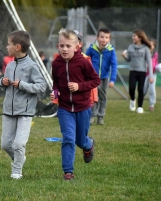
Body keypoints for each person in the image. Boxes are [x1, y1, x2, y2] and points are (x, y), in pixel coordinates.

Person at [50, 29, 100, 180]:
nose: (64, 49)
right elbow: (56, 83)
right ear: (58, 46)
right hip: (65, 108)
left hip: (83, 108)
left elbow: (95, 80)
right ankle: (68, 172)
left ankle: (88, 144)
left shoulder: (83, 62)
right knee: (68, 138)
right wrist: (56, 93)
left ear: (77, 47)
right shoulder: (56, 63)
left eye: (68, 46)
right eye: (62, 46)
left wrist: (80, 86)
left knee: (80, 140)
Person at [0, 30, 46, 179]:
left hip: (25, 112)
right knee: (6, 145)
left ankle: (17, 171)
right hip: (8, 111)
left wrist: (22, 85)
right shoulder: (10, 65)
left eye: (9, 44)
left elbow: (41, 86)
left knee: (19, 144)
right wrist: (3, 82)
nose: (7, 47)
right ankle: (20, 159)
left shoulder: (32, 66)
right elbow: (5, 83)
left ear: (17, 47)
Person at [85, 28, 118, 125]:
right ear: (97, 38)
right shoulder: (92, 48)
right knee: (93, 97)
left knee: (102, 98)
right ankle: (92, 116)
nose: (104, 39)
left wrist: (112, 79)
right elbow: (85, 60)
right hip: (92, 78)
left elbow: (114, 65)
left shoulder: (111, 50)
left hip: (104, 78)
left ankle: (101, 117)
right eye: (102, 37)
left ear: (109, 39)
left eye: (106, 37)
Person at [122, 29, 153, 113]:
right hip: (132, 71)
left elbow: (149, 62)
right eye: (132, 36)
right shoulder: (130, 47)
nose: (133, 37)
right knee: (131, 88)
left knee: (140, 89)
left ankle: (140, 107)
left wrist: (151, 76)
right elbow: (128, 60)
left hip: (142, 72)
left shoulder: (146, 48)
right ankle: (132, 100)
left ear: (139, 37)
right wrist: (124, 56)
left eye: (134, 36)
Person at [144, 39, 158, 111]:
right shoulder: (144, 53)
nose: (150, 46)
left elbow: (155, 63)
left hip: (152, 75)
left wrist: (158, 67)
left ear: (154, 46)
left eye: (151, 45)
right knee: (143, 90)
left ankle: (151, 105)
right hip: (144, 75)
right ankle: (140, 103)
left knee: (152, 90)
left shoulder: (155, 54)